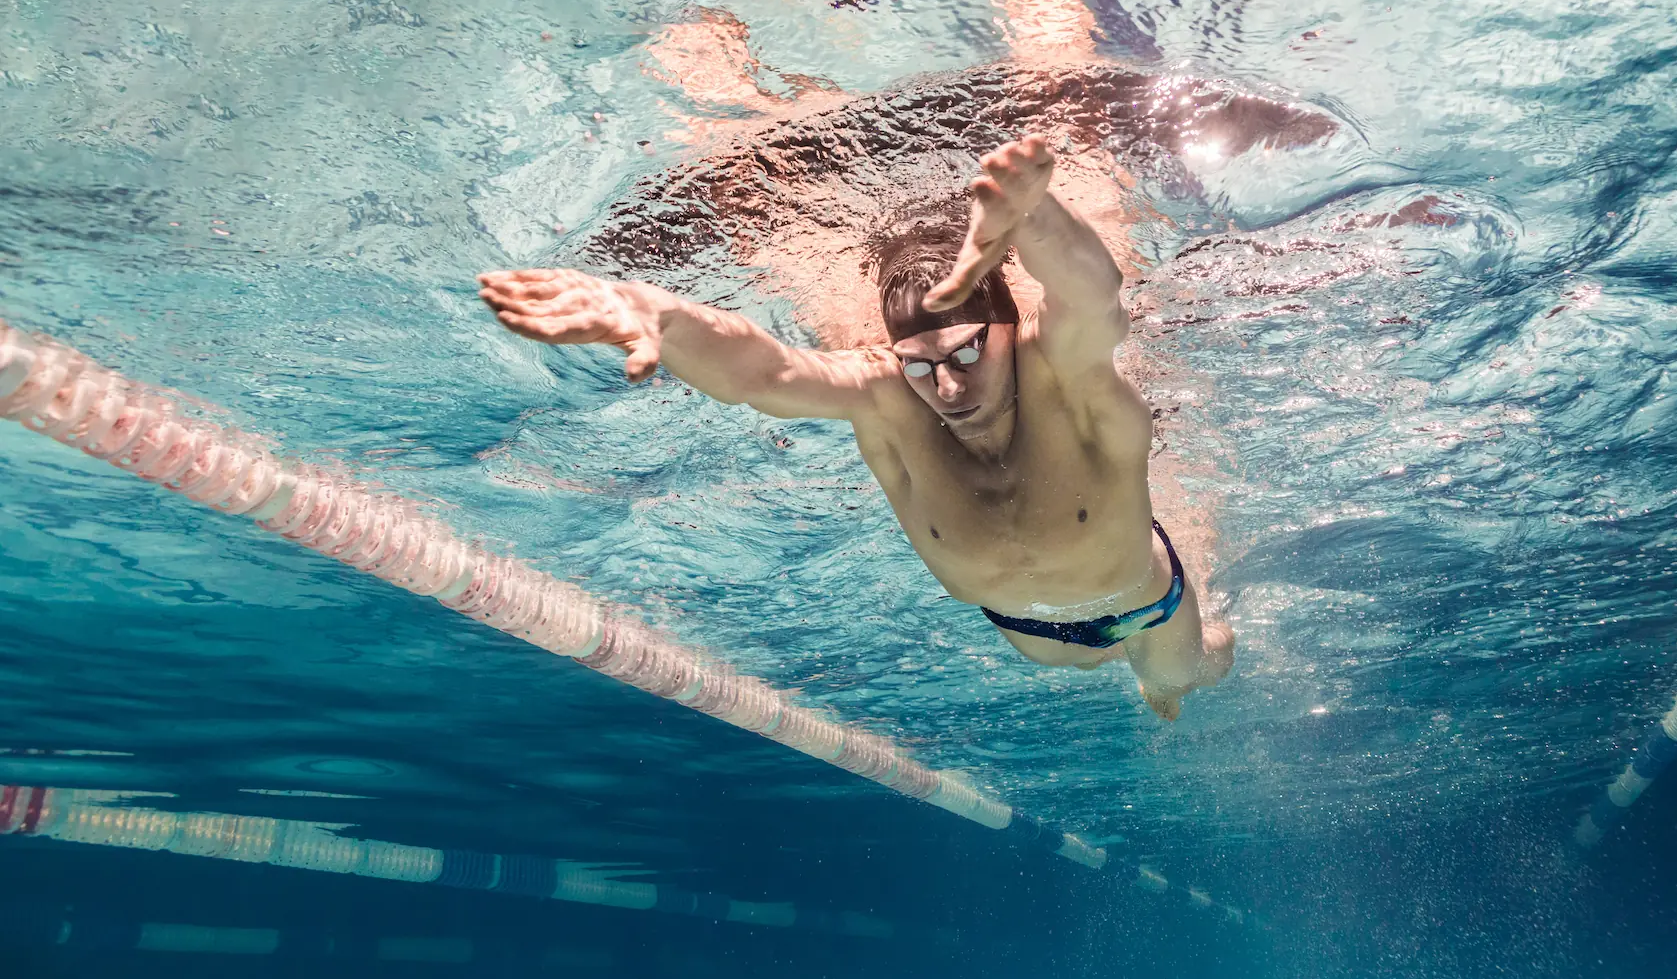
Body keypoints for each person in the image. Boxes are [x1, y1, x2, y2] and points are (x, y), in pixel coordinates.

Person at [478, 131, 1235, 719]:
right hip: (1031, 635)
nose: (945, 384)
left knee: (1183, 679)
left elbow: (1092, 295)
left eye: (969, 351)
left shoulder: (1063, 379)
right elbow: (766, 371)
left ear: (1008, 325)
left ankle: (1209, 626)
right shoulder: (888, 397)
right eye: (918, 362)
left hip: (1146, 607)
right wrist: (661, 317)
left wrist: (1033, 214)